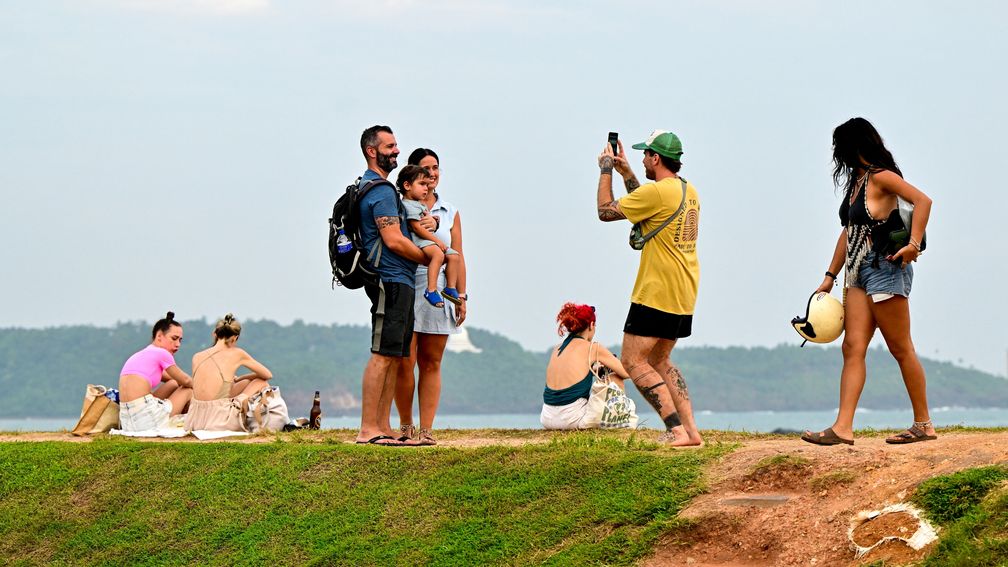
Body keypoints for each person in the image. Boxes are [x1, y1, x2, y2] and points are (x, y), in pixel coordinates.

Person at [802, 117, 935, 446]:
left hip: (886, 270)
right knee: (852, 347)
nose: (836, 153)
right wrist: (829, 277)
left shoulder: (881, 177)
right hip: (857, 274)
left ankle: (924, 424)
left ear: (853, 146)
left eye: (838, 146)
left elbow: (924, 201)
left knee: (900, 348)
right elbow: (848, 233)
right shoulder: (857, 181)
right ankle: (842, 427)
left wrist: (913, 245)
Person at [595, 130, 704, 447]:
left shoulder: (658, 194)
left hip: (657, 291)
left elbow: (605, 211)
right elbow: (645, 206)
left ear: (656, 158)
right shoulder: (687, 190)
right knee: (660, 361)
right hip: (683, 291)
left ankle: (676, 430)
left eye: (645, 155)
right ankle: (692, 431)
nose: (642, 158)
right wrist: (627, 173)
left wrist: (605, 168)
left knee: (632, 361)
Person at [354, 125, 434, 446]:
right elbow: (393, 240)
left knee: (393, 354)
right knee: (381, 354)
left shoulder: (380, 188)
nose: (397, 151)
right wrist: (429, 258)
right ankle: (367, 429)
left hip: (399, 280)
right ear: (372, 151)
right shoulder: (381, 191)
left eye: (397, 145)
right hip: (390, 278)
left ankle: (382, 426)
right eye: (390, 146)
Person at [393, 147, 468, 446]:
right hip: (409, 283)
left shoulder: (449, 211)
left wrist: (462, 294)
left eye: (436, 167)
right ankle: (404, 426)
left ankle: (427, 430)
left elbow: (459, 254)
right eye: (426, 169)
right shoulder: (400, 206)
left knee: (431, 362)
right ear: (413, 175)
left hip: (441, 288)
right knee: (404, 360)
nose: (433, 174)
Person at [541, 303, 631, 429]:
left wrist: (594, 369)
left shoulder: (556, 349)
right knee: (615, 377)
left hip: (547, 418)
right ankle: (620, 424)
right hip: (572, 420)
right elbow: (626, 373)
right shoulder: (593, 348)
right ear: (591, 325)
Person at [185, 313, 273, 431]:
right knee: (261, 382)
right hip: (219, 420)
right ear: (235, 338)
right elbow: (267, 375)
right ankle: (249, 412)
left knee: (244, 382)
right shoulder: (237, 353)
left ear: (214, 334)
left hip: (194, 420)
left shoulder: (197, 357)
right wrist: (241, 378)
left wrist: (239, 380)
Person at [395, 164, 462, 308]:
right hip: (420, 241)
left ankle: (450, 288)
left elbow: (425, 221)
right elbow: (416, 227)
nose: (426, 188)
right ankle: (431, 290)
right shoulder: (408, 205)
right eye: (422, 184)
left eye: (427, 184)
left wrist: (435, 221)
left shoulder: (418, 204)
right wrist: (436, 241)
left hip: (428, 240)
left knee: (454, 256)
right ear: (407, 185)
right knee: (438, 255)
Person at [118, 311, 194, 431]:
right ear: (159, 336)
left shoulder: (142, 354)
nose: (178, 344)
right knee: (188, 390)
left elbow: (174, 380)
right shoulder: (162, 353)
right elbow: (186, 381)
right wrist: (208, 388)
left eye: (180, 340)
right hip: (148, 420)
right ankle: (197, 422)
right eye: (174, 339)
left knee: (174, 383)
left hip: (127, 422)